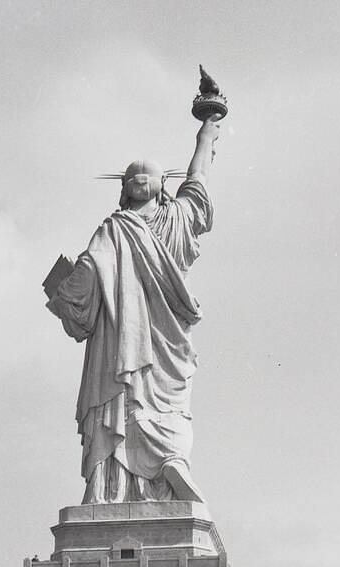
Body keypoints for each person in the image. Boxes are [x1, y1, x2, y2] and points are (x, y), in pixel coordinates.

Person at [47, 113, 223, 504]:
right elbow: (198, 182)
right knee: (167, 408)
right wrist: (207, 134)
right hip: (165, 345)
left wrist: (60, 290)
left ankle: (111, 487)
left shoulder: (114, 229)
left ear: (125, 192)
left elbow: (85, 280)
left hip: (121, 345)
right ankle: (168, 462)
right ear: (163, 190)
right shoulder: (177, 220)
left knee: (122, 401)